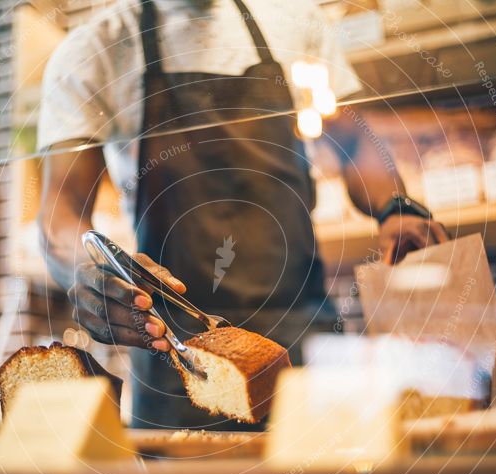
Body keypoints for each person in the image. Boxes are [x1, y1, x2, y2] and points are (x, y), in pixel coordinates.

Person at [37, 0, 448, 429]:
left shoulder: (297, 22)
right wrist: (89, 268)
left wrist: (395, 208)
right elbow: (60, 214)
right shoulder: (97, 49)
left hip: (306, 345)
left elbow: (355, 143)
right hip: (179, 362)